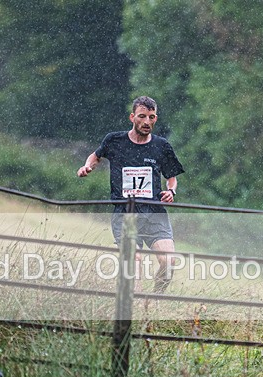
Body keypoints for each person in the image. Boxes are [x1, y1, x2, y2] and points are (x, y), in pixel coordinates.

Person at [78, 96, 184, 293]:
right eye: (142, 116)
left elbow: (172, 177)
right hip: (125, 213)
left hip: (154, 213)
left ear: (155, 118)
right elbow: (96, 156)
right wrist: (87, 166)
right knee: (134, 261)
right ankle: (136, 305)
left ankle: (155, 299)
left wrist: (171, 191)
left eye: (151, 117)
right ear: (132, 117)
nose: (147, 122)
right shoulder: (114, 140)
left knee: (169, 262)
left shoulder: (162, 146)